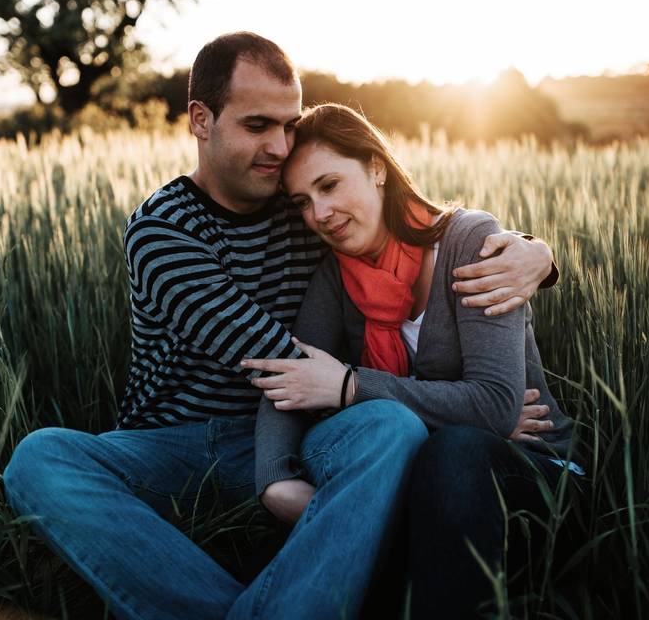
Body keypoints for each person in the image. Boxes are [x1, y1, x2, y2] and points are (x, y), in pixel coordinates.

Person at [2, 32, 557, 620]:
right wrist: (455, 403)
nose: (279, 146)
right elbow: (281, 360)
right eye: (257, 125)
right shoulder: (163, 230)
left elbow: (417, 231)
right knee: (41, 459)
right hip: (177, 447)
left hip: (304, 431)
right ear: (201, 120)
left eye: (289, 125)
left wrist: (534, 255)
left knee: (390, 426)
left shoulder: (306, 211)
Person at [242, 103, 584, 618]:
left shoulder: (471, 242)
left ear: (377, 167)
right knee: (414, 463)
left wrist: (349, 387)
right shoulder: (338, 277)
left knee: (456, 451)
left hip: (537, 472)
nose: (319, 215)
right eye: (303, 202)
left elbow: (493, 405)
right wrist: (276, 481)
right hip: (434, 484)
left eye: (329, 185)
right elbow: (287, 373)